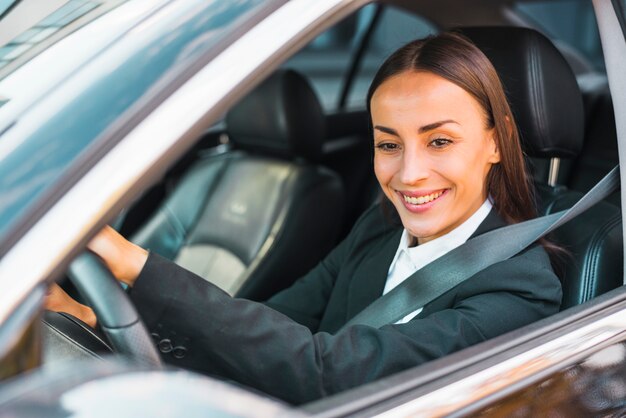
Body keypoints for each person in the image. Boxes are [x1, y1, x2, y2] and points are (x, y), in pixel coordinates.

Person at [46, 32, 562, 404]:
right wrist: (100, 319)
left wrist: (136, 264)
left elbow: (331, 374)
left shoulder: (519, 289)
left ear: (495, 142)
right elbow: (273, 326)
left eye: (440, 141)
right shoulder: (381, 229)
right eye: (388, 144)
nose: (410, 173)